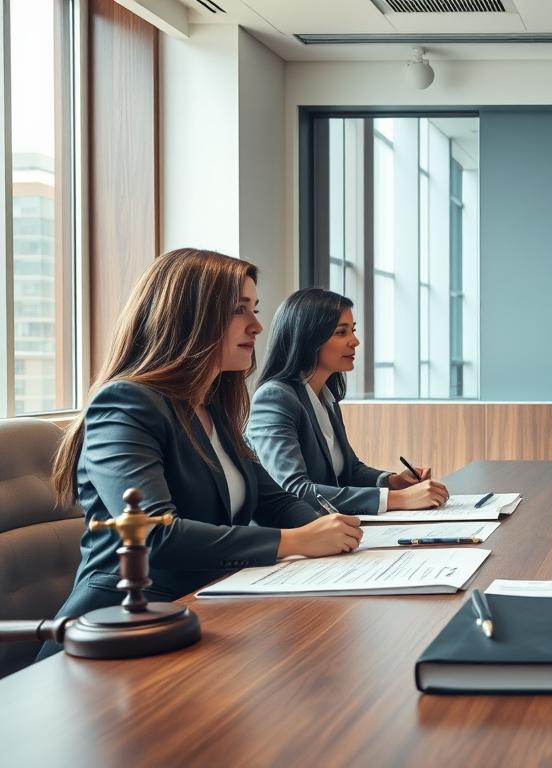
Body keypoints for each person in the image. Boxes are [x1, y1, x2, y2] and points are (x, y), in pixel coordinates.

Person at [41, 249, 362, 660]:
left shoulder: (211, 405)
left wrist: (336, 533)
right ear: (188, 316)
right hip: (123, 626)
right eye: (238, 310)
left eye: (254, 309)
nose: (257, 326)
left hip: (202, 610)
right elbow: (156, 535)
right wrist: (294, 541)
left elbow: (274, 500)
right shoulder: (125, 403)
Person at [247, 288, 449, 515]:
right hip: (302, 532)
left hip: (334, 526)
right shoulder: (275, 398)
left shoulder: (325, 397)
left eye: (352, 330)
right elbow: (295, 490)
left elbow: (349, 470)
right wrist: (398, 499)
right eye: (341, 332)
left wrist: (393, 482)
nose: (355, 341)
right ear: (308, 337)